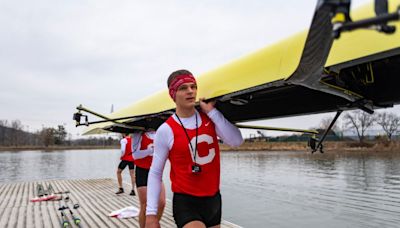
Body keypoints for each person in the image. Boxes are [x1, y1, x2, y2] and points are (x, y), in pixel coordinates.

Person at [145, 70, 243, 228]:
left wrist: (212, 111)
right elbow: (156, 172)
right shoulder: (166, 130)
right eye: (183, 88)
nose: (190, 91)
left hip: (213, 200)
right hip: (186, 202)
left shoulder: (209, 118)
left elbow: (236, 141)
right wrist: (151, 214)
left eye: (193, 86)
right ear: (173, 95)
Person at [132, 131, 166, 228]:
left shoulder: (159, 131)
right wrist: (150, 151)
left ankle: (152, 225)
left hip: (155, 171)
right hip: (142, 171)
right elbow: (135, 155)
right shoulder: (138, 133)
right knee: (145, 204)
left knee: (161, 203)